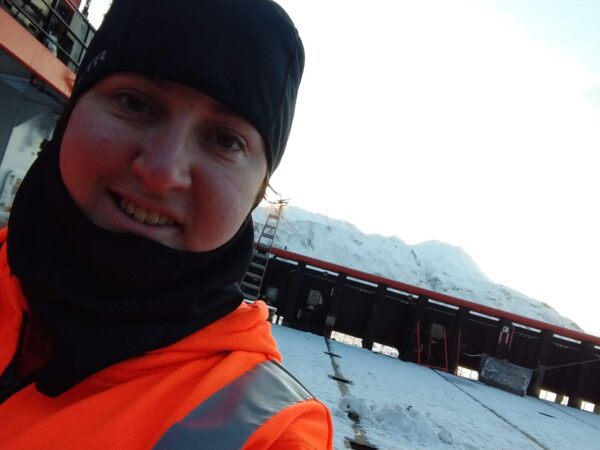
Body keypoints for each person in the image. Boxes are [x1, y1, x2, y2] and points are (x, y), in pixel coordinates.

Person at [0, 0, 333, 448]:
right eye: (135, 103)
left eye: (224, 140)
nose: (161, 171)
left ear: (258, 189)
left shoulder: (268, 433)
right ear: (72, 110)